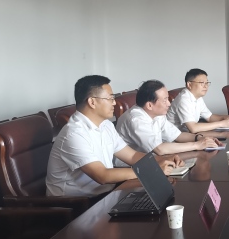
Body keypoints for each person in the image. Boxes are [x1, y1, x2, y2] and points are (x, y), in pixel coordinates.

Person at [47, 75, 179, 197]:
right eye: (110, 98)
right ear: (92, 102)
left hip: (107, 193)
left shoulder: (106, 125)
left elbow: (132, 156)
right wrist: (152, 170)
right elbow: (102, 175)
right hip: (78, 204)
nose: (114, 103)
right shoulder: (74, 134)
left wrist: (163, 159)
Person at [115, 79, 220, 165]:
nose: (169, 104)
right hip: (130, 166)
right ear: (149, 105)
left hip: (153, 158)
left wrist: (201, 138)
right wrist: (197, 145)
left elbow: (178, 135)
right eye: (165, 100)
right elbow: (159, 149)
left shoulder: (156, 113)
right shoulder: (136, 120)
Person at [167, 68, 229, 133]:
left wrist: (225, 117)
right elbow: (193, 128)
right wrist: (221, 124)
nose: (205, 86)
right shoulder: (183, 100)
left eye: (207, 83)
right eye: (202, 83)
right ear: (189, 84)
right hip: (173, 138)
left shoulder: (198, 97)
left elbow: (209, 117)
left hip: (186, 135)